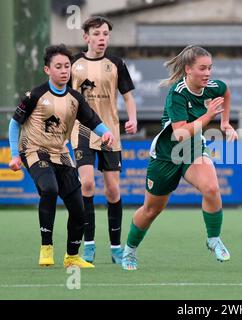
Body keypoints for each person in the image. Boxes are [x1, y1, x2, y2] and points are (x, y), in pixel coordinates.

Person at [121, 45, 238, 271]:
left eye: (210, 68)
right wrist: (208, 116)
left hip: (193, 151)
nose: (207, 73)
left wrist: (225, 123)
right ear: (188, 69)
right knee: (152, 210)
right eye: (202, 68)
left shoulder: (213, 87)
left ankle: (213, 239)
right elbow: (180, 133)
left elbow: (226, 91)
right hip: (167, 155)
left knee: (212, 189)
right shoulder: (177, 93)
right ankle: (129, 250)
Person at [8, 44, 115, 268]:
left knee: (79, 208)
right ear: (48, 70)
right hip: (34, 150)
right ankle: (46, 247)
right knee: (50, 189)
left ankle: (72, 256)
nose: (64, 70)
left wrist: (106, 134)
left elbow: (92, 120)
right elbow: (14, 123)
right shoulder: (35, 95)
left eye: (67, 66)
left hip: (61, 154)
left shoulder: (75, 98)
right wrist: (15, 155)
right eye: (58, 66)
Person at [70, 16, 137, 264]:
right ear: (86, 36)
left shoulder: (116, 63)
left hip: (110, 133)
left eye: (106, 34)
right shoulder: (74, 63)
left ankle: (116, 247)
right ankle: (88, 245)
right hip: (82, 131)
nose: (102, 38)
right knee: (87, 185)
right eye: (97, 34)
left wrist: (132, 119)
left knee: (112, 190)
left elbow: (129, 97)